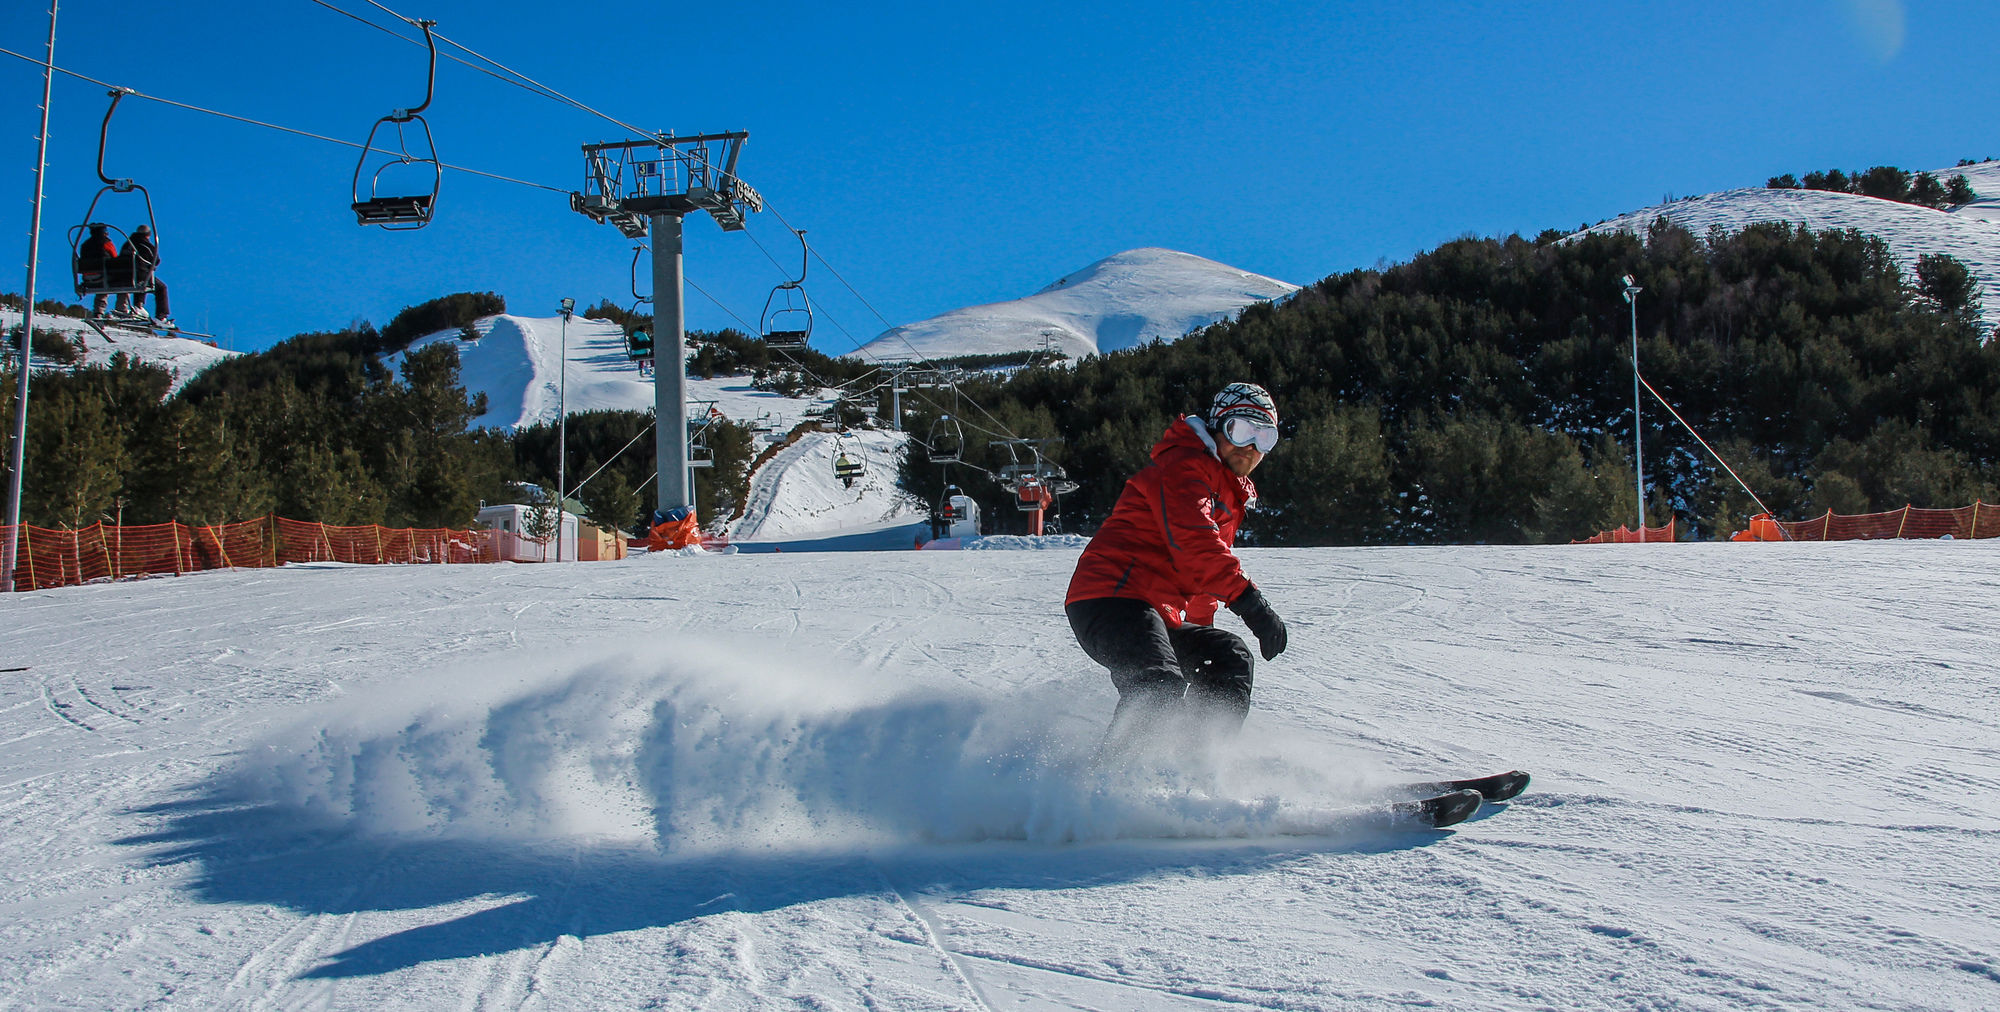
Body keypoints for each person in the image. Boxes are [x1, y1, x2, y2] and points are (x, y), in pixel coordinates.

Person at [1065, 381, 1290, 758]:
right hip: (1109, 599)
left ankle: (1194, 764)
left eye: (1264, 437)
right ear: (1218, 427)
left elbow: (1202, 579)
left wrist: (1202, 634)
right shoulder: (1184, 467)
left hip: (1154, 610)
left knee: (1228, 657)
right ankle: (1106, 787)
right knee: (1158, 686)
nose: (1250, 448)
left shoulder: (1224, 491)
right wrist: (1254, 606)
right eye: (1242, 430)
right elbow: (1196, 546)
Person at [121, 224, 172, 329]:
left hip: (123, 274)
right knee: (161, 287)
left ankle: (138, 305)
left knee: (141, 281)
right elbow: (156, 260)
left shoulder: (128, 244)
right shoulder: (146, 245)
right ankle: (161, 316)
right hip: (140, 274)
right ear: (148, 235)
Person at [76, 224, 119, 317]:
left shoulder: (85, 245)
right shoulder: (106, 243)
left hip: (87, 279)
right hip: (103, 276)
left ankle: (98, 312)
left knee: (102, 288)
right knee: (124, 280)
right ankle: (122, 308)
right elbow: (115, 258)